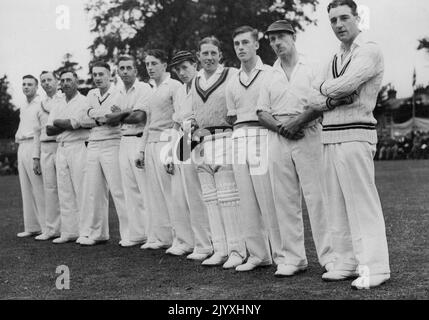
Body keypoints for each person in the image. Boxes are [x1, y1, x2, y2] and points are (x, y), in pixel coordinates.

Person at [315, 0, 390, 289]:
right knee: (335, 203)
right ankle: (345, 262)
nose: (338, 25)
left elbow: (348, 84)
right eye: (333, 20)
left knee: (361, 204)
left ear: (358, 18)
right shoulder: (333, 58)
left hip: (356, 134)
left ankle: (375, 267)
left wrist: (324, 91)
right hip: (330, 134)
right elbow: (311, 96)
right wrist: (331, 96)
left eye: (344, 18)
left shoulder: (369, 50)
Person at [257, 20, 336, 277]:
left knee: (318, 197)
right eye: (271, 39)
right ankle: (293, 258)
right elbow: (261, 112)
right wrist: (282, 128)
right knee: (285, 200)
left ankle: (331, 257)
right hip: (279, 137)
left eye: (281, 37)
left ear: (293, 36)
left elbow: (322, 102)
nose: (276, 43)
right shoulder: (269, 74)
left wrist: (298, 121)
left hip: (309, 132)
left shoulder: (312, 66)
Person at [191, 36, 244, 268]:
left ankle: (237, 250)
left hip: (225, 138)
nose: (209, 57)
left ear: (220, 55)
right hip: (201, 143)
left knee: (228, 197)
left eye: (213, 53)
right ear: (198, 56)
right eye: (205, 53)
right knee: (210, 199)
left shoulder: (231, 74)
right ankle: (220, 249)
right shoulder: (194, 80)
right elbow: (190, 114)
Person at [225, 26, 274, 272]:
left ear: (256, 44)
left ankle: (283, 255)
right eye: (236, 43)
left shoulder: (269, 73)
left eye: (245, 42)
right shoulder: (232, 80)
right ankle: (258, 255)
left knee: (267, 198)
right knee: (246, 199)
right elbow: (230, 116)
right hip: (239, 136)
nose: (241, 48)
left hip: (262, 135)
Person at [134, 49, 190, 253]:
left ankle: (182, 240)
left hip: (168, 141)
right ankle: (161, 237)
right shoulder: (150, 90)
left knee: (173, 195)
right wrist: (141, 150)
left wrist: (173, 150)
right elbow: (148, 122)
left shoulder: (174, 86)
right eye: (147, 64)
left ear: (164, 65)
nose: (150, 68)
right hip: (151, 144)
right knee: (154, 196)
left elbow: (179, 119)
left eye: (154, 63)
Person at [103, 55, 153, 247]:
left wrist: (120, 113)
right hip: (123, 141)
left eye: (128, 68)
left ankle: (152, 235)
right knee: (129, 190)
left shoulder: (143, 88)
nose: (124, 71)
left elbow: (139, 116)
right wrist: (126, 112)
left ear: (135, 70)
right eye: (121, 68)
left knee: (144, 189)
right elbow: (109, 118)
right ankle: (137, 234)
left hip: (140, 139)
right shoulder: (117, 92)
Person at [77, 61, 128, 246]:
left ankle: (129, 234)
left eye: (101, 74)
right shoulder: (91, 94)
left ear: (109, 75)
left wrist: (94, 114)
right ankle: (98, 233)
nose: (97, 78)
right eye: (95, 74)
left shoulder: (119, 93)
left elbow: (115, 120)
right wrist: (101, 117)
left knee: (118, 189)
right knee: (93, 190)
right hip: (93, 143)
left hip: (113, 142)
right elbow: (82, 119)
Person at [169, 50, 213, 259]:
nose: (181, 72)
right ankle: (191, 242)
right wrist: (170, 153)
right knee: (183, 195)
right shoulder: (179, 90)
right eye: (177, 69)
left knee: (201, 195)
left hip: (200, 138)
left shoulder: (202, 83)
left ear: (195, 65)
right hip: (182, 139)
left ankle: (207, 244)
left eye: (184, 67)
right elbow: (176, 122)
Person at [46, 70, 89, 244]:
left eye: (69, 80)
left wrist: (60, 122)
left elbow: (75, 125)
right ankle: (69, 231)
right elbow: (49, 130)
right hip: (61, 148)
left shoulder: (84, 101)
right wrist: (64, 123)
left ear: (76, 81)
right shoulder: (57, 103)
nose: (65, 83)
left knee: (82, 189)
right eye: (62, 80)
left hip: (79, 146)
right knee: (64, 191)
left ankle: (85, 231)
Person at [32, 71, 63, 241]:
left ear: (56, 81)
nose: (46, 83)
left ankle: (71, 228)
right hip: (45, 149)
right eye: (43, 81)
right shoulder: (40, 104)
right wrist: (35, 157)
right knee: (49, 189)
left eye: (49, 80)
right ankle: (52, 229)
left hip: (61, 146)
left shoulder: (64, 99)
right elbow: (36, 133)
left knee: (67, 189)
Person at [15, 75, 46, 238]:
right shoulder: (23, 106)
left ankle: (47, 227)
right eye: (24, 84)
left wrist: (36, 156)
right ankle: (32, 227)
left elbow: (39, 131)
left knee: (39, 188)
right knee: (25, 187)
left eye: (30, 84)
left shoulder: (41, 104)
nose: (26, 87)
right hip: (22, 146)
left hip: (35, 145)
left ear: (36, 87)